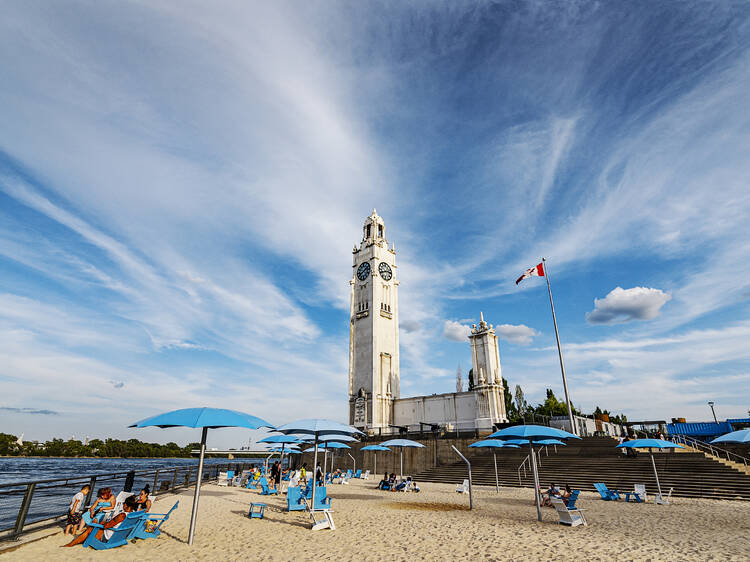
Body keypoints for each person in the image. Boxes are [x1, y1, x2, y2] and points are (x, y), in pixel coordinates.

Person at [63, 496, 138, 547]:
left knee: (90, 529)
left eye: (124, 503)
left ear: (127, 505)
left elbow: (107, 526)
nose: (123, 504)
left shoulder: (122, 515)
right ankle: (78, 541)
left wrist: (103, 523)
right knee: (94, 527)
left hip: (109, 537)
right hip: (119, 537)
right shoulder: (133, 514)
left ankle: (71, 544)